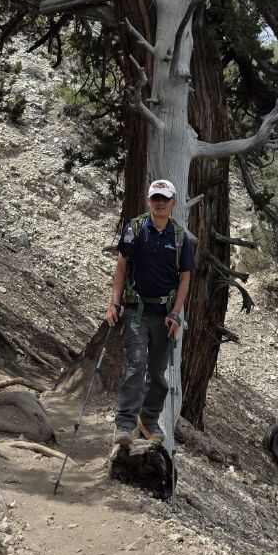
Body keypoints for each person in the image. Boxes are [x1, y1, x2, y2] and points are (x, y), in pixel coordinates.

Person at [105, 179, 195, 446]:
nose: (160, 203)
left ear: (173, 203)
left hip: (164, 315)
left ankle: (148, 418)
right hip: (136, 311)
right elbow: (121, 267)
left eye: (164, 199)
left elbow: (185, 278)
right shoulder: (134, 229)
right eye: (155, 198)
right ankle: (124, 424)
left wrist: (176, 313)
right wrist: (114, 303)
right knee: (137, 364)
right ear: (148, 201)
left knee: (157, 374)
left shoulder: (180, 237)